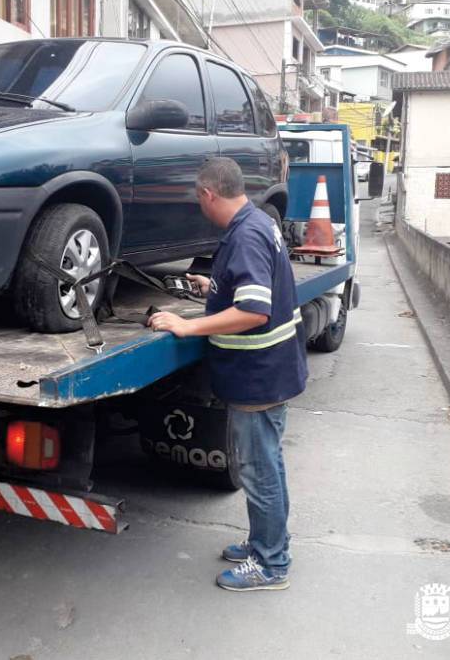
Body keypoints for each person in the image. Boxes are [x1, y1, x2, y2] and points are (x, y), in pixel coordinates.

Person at [148, 157, 308, 592]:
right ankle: (264, 543)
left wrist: (187, 325)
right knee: (264, 465)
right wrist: (212, 286)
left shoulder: (246, 237)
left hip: (259, 377)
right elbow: (254, 286)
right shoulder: (256, 222)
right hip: (269, 371)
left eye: (198, 198)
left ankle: (272, 564)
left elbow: (254, 311)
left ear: (207, 194)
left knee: (260, 470)